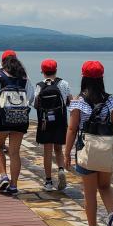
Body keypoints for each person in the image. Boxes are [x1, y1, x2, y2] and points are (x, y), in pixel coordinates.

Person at [64, 60, 113, 226]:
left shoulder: (78, 102)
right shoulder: (111, 101)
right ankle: (112, 217)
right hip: (107, 148)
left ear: (84, 78)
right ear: (101, 78)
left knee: (89, 193)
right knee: (105, 187)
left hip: (86, 150)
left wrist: (66, 153)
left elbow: (72, 129)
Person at [0, 51, 34, 195]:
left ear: (3, 61)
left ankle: (4, 176)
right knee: (14, 153)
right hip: (20, 119)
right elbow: (31, 98)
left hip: (1, 118)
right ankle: (14, 185)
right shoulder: (25, 77)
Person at [34, 59, 72, 191]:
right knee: (58, 149)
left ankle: (49, 182)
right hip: (60, 121)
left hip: (45, 122)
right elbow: (70, 101)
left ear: (43, 71)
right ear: (56, 70)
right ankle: (61, 169)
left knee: (47, 151)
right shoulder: (64, 83)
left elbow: (36, 104)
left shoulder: (40, 86)